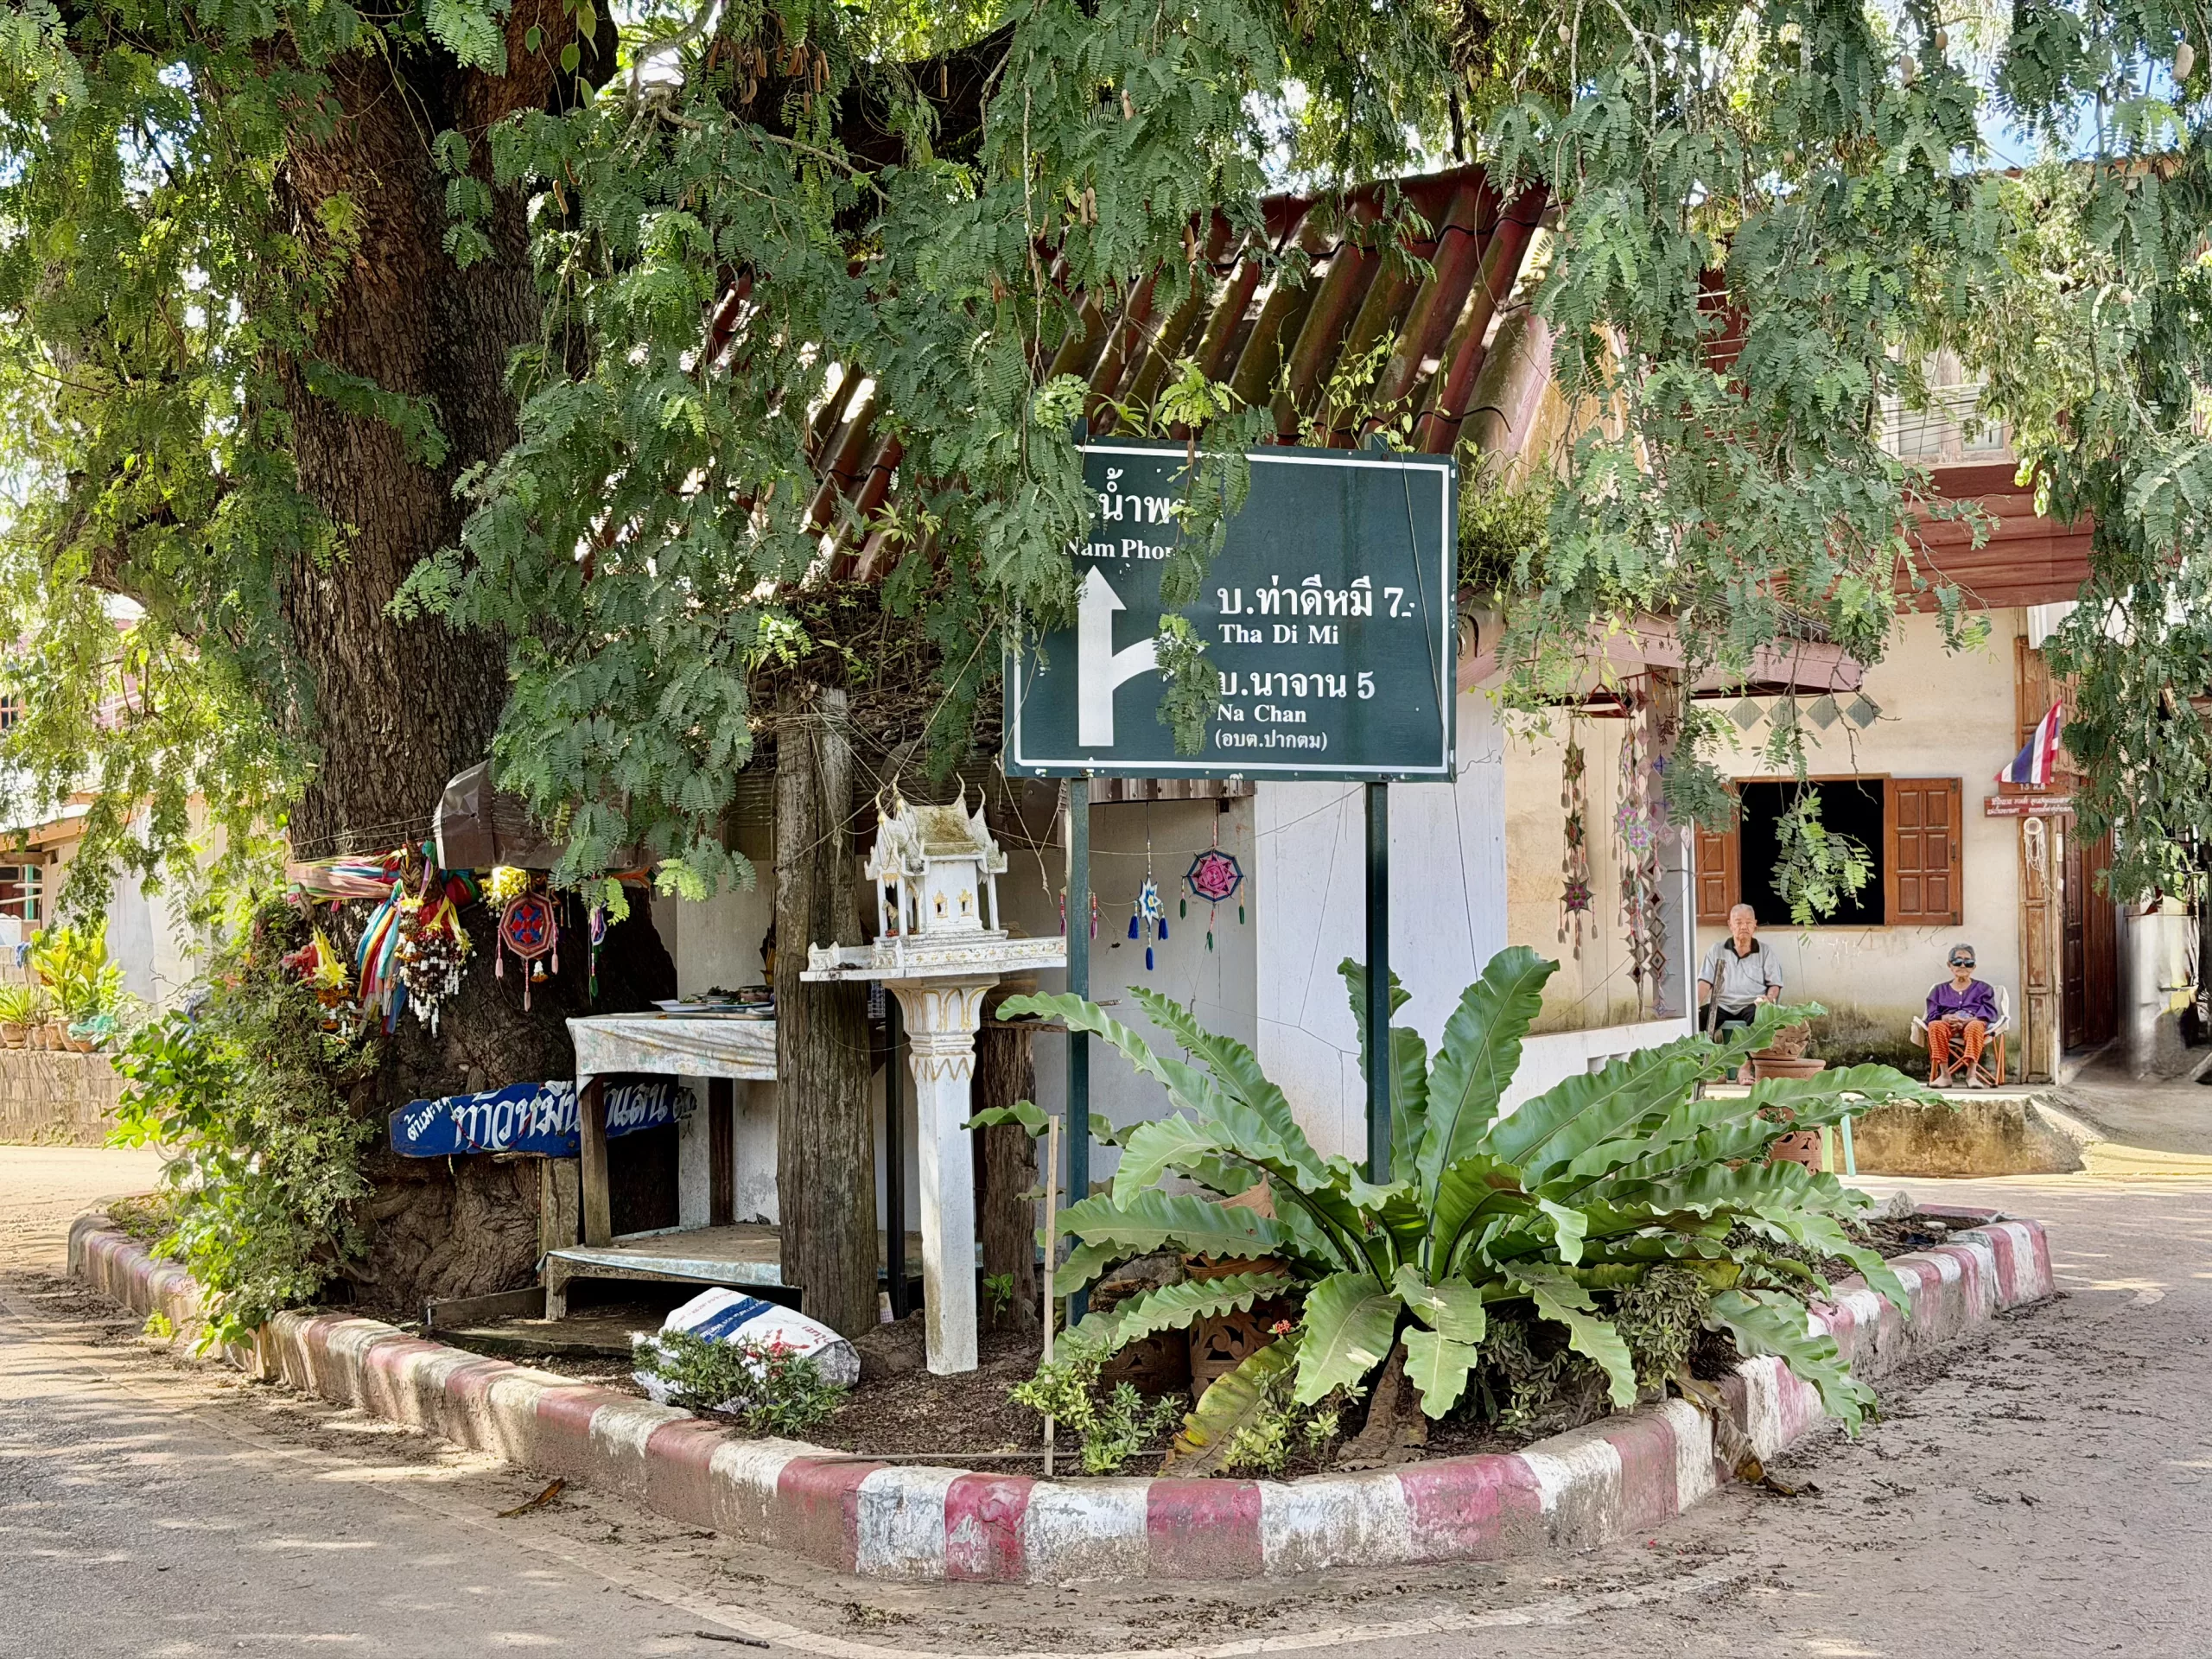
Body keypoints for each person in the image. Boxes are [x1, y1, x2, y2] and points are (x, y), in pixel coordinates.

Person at [1698, 903, 1783, 1044]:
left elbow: (1774, 984)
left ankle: (1747, 1063)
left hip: (1751, 1003)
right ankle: (1703, 1061)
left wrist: (1768, 999)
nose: (1744, 927)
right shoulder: (1717, 950)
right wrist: (1696, 1004)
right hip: (1721, 1004)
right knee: (1699, 1019)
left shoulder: (1765, 951)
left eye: (1748, 922)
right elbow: (1705, 982)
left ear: (1755, 925)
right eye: (1738, 922)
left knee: (1761, 1019)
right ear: (1730, 925)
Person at [1926, 944, 1999, 1089]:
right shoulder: (1939, 990)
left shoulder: (1984, 989)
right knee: (1935, 1025)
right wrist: (1945, 1017)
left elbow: (1990, 1012)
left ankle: (1972, 1075)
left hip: (1973, 1024)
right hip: (1948, 1025)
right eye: (1957, 961)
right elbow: (1932, 1014)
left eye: (1968, 962)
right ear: (1950, 965)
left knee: (1975, 1026)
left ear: (1974, 967)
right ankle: (1944, 1075)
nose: (1963, 965)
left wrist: (1969, 1020)